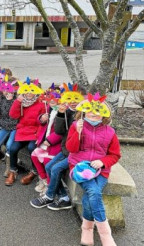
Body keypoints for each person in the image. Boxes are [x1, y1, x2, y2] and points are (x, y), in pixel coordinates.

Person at [67, 93, 120, 246]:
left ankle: (87, 228)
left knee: (91, 194)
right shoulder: (76, 125)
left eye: (98, 111)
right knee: (94, 191)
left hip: (100, 170)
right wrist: (77, 132)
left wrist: (102, 161)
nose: (93, 113)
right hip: (79, 168)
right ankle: (105, 234)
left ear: (104, 114)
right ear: (84, 111)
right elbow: (71, 148)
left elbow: (115, 155)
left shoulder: (110, 132)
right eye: (90, 110)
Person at [30, 83, 85, 210]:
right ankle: (64, 197)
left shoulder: (85, 114)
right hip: (67, 150)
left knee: (55, 168)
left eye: (76, 98)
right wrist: (61, 114)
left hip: (78, 153)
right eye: (69, 98)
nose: (72, 102)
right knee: (49, 166)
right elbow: (60, 131)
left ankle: (49, 196)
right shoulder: (67, 111)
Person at [5, 78, 45, 186]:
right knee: (13, 148)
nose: (28, 93)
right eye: (26, 90)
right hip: (22, 131)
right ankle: (13, 171)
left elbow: (42, 123)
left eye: (32, 91)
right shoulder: (21, 102)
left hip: (34, 132)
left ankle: (34, 171)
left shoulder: (41, 105)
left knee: (32, 148)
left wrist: (38, 135)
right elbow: (13, 115)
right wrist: (17, 102)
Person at [30, 86, 63, 194]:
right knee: (34, 155)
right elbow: (44, 124)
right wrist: (42, 119)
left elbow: (62, 131)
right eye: (49, 96)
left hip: (55, 143)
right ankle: (43, 180)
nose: (52, 99)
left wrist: (50, 140)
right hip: (45, 141)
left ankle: (49, 186)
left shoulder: (63, 112)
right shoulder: (49, 108)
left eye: (55, 97)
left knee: (47, 161)